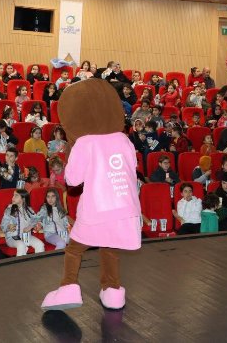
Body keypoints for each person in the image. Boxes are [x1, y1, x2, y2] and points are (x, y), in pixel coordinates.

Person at [41, 79, 142, 312]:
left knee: (74, 249)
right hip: (125, 207)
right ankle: (113, 291)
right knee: (110, 247)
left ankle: (68, 287)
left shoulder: (85, 143)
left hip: (98, 207)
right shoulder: (123, 139)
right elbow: (133, 167)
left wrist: (70, 153)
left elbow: (73, 179)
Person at [0, 188, 45, 256]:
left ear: (23, 199)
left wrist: (33, 226)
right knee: (21, 245)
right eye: (13, 195)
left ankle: (38, 262)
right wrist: (8, 227)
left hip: (26, 237)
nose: (13, 197)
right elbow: (2, 225)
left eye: (16, 195)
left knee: (40, 244)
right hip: (12, 237)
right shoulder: (9, 210)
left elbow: (37, 220)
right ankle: (20, 263)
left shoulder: (29, 210)